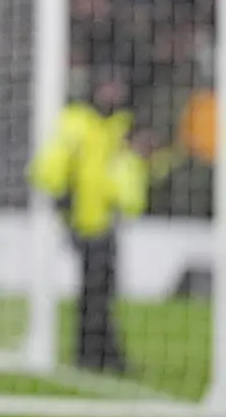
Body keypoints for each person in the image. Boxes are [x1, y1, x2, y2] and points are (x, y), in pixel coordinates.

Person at [27, 71, 148, 374]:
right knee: (96, 292)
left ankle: (95, 354)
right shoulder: (78, 124)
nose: (113, 93)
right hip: (83, 222)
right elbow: (52, 166)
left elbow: (125, 174)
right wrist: (62, 201)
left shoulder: (118, 127)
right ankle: (98, 355)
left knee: (101, 292)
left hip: (108, 222)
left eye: (117, 86)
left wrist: (125, 204)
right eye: (108, 85)